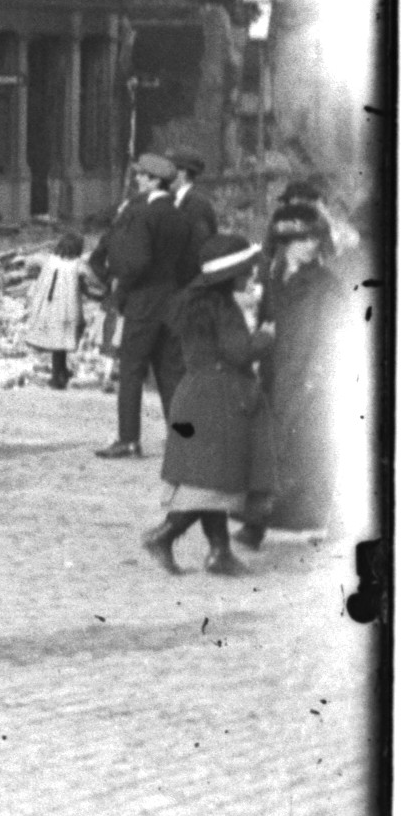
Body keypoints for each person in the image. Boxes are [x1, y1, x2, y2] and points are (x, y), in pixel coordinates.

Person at [140, 240, 270, 577]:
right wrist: (265, 338)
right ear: (230, 274)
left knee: (211, 479)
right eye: (246, 271)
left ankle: (219, 552)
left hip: (196, 392)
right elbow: (239, 352)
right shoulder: (222, 307)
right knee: (213, 484)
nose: (250, 277)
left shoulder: (194, 301)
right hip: (220, 397)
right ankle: (163, 536)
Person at [240, 208, 342, 546]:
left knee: (301, 453)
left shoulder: (326, 284)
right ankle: (255, 523)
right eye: (301, 239)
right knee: (268, 450)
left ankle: (274, 524)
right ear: (284, 243)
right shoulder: (272, 278)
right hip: (274, 375)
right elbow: (264, 322)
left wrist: (316, 376)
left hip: (307, 378)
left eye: (314, 238)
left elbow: (332, 335)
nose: (310, 245)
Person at [93, 153, 195, 460]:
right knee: (170, 372)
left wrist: (119, 288)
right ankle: (183, 439)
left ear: (154, 181)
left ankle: (128, 439)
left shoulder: (143, 214)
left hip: (143, 301)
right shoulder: (180, 215)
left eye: (142, 176)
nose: (137, 179)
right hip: (172, 299)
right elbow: (189, 263)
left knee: (131, 370)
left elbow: (136, 262)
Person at [21, 231, 92, 391]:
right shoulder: (77, 265)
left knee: (57, 341)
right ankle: (56, 377)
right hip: (67, 307)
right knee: (62, 341)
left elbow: (31, 263)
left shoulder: (49, 260)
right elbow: (88, 277)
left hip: (48, 306)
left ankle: (62, 371)